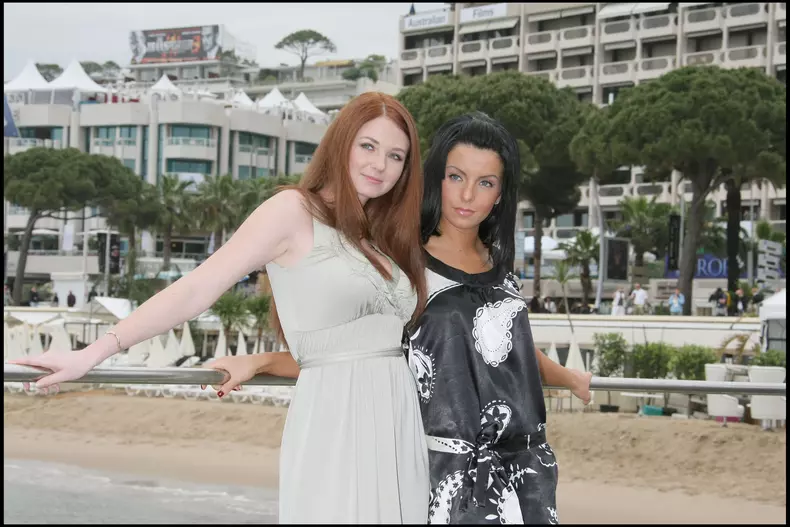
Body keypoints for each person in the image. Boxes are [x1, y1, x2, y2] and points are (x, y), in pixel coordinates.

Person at [11, 92, 431, 524]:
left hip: (397, 422)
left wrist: (264, 359)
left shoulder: (378, 238)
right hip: (338, 421)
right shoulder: (292, 211)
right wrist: (93, 352)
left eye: (395, 156)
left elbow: (354, 345)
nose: (380, 165)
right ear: (341, 143)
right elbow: (196, 289)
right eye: (368, 146)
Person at [405, 113, 591, 524]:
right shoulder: (405, 265)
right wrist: (258, 362)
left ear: (500, 195)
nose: (467, 194)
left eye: (485, 182)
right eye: (456, 176)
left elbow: (512, 354)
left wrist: (569, 376)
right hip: (443, 470)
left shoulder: (502, 269)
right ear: (436, 177)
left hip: (525, 466)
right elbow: (364, 348)